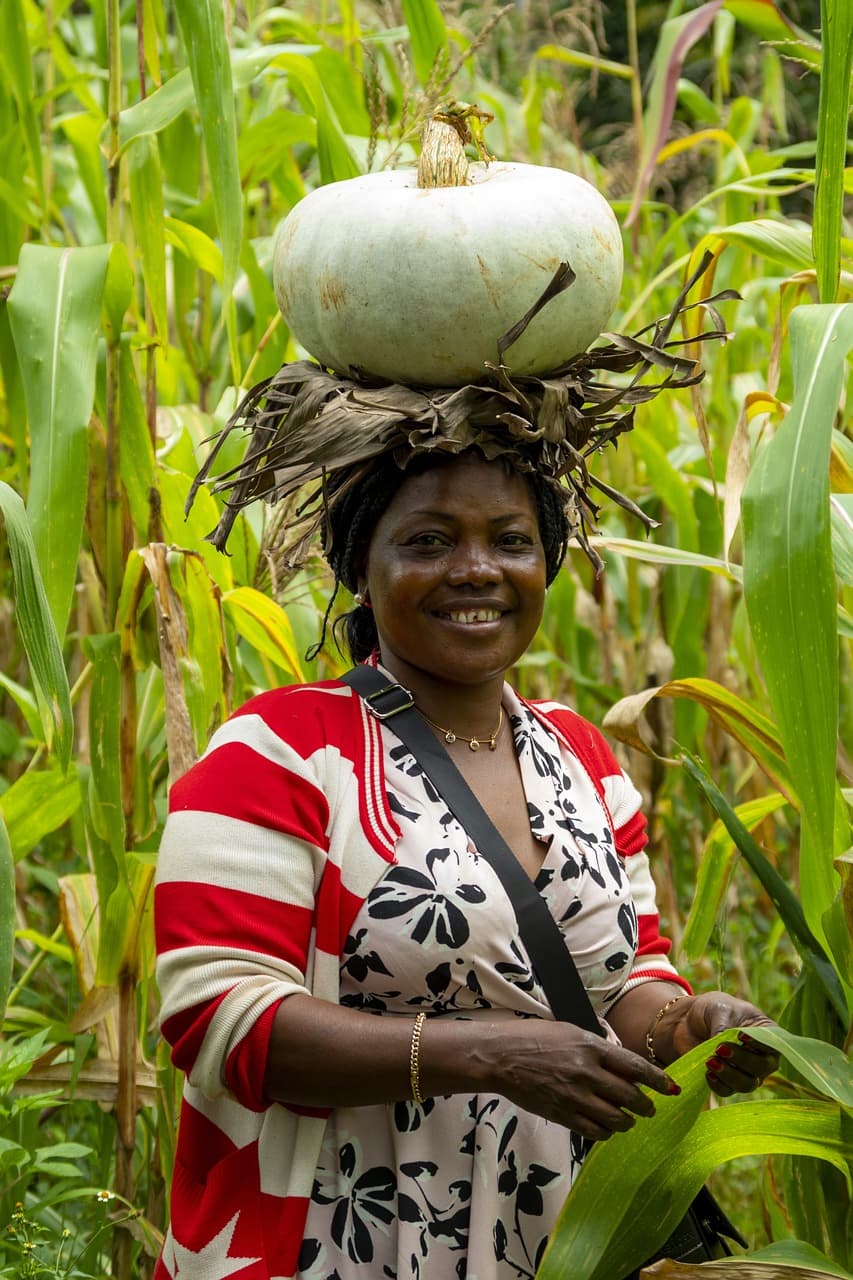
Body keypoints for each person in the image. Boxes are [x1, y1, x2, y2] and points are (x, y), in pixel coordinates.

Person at [153, 445, 778, 1280]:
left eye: (510, 541)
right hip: (344, 1236)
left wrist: (687, 1027)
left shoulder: (582, 756)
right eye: (429, 542)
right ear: (362, 570)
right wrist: (484, 1055)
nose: (476, 570)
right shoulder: (278, 752)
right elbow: (219, 1019)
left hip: (562, 1236)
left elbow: (625, 983)